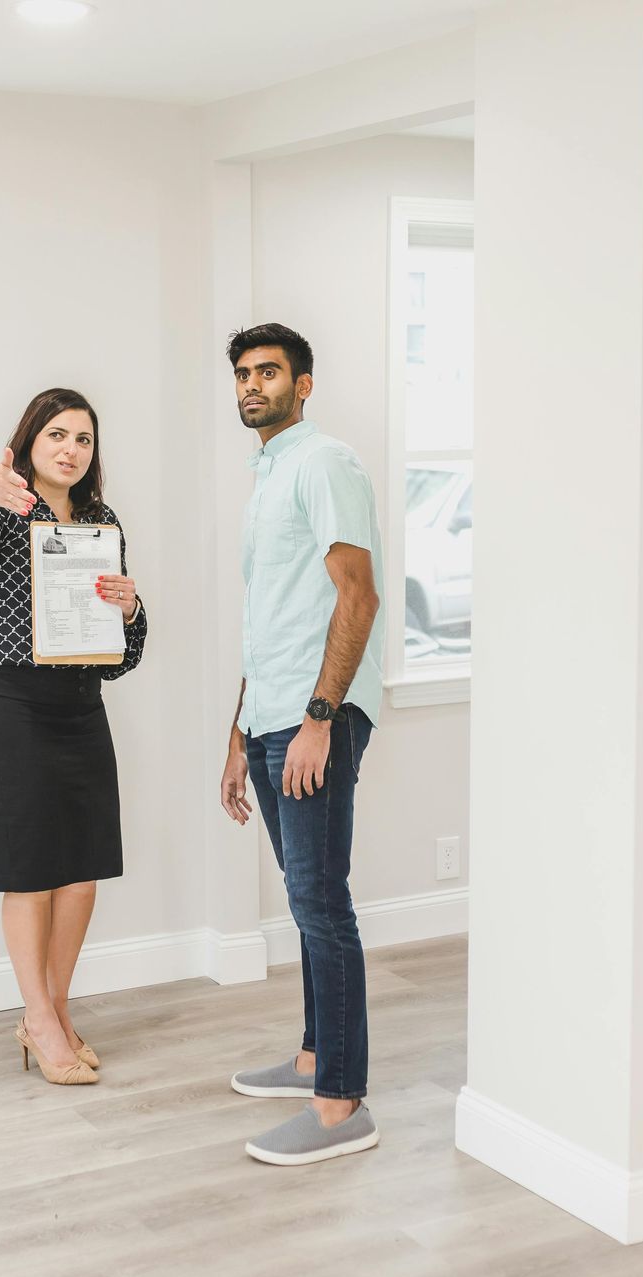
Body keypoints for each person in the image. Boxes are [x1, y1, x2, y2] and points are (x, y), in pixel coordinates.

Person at [0, 388, 147, 1087]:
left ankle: (49, 1010)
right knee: (29, 869)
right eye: (57, 435)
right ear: (29, 443)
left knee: (80, 873)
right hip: (8, 705)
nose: (70, 450)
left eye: (83, 439)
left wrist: (132, 610)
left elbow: (121, 655)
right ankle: (42, 1019)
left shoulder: (100, 521)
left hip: (80, 705)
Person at [217, 324, 387, 1166]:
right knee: (305, 900)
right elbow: (273, 618)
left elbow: (357, 596)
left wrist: (322, 715)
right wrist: (237, 734)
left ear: (304, 384)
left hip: (315, 716)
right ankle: (318, 1057)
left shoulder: (323, 464)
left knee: (323, 903)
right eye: (244, 374)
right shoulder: (271, 472)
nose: (252, 385)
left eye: (269, 372)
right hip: (274, 713)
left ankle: (341, 1106)